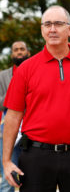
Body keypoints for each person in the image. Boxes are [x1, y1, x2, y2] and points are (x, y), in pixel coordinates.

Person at [2, 5, 70, 191]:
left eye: (58, 24)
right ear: (42, 30)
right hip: (36, 157)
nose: (52, 29)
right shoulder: (25, 70)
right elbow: (12, 117)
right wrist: (6, 162)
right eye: (48, 24)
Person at [0, 41, 30, 192]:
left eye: (22, 49)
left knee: (32, 177)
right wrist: (15, 89)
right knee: (8, 179)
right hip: (8, 131)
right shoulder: (3, 76)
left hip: (32, 132)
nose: (19, 52)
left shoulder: (35, 73)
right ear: (12, 54)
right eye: (16, 50)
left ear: (28, 53)